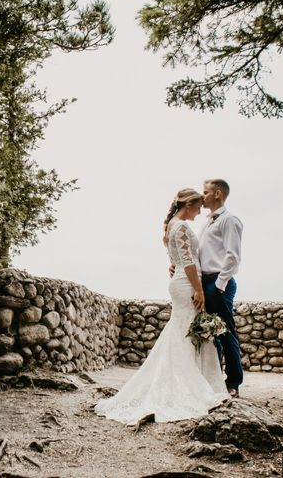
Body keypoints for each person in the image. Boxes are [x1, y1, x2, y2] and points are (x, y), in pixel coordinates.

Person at [95, 189, 228, 425]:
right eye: (197, 207)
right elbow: (187, 261)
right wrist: (198, 290)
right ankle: (189, 387)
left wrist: (179, 271)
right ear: (188, 204)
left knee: (182, 332)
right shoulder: (183, 227)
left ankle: (190, 381)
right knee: (188, 333)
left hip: (180, 281)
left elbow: (177, 259)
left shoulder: (172, 226)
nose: (198, 213)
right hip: (187, 284)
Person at [199, 179, 244, 397]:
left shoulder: (229, 220)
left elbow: (233, 256)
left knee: (226, 333)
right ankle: (214, 379)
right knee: (211, 334)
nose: (202, 195)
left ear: (217, 194)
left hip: (219, 282)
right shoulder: (208, 222)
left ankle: (233, 382)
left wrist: (219, 284)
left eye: (205, 192)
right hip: (205, 281)